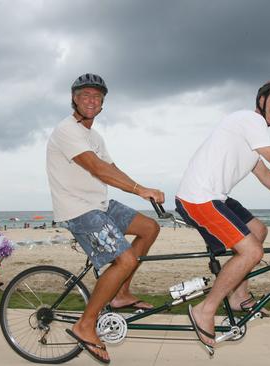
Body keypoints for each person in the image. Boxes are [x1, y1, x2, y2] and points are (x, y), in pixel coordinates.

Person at [175, 79, 270, 352]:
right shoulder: (250, 120)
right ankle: (205, 310)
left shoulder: (250, 135)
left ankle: (238, 296)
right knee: (251, 253)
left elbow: (265, 173)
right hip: (198, 197)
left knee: (258, 231)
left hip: (215, 196)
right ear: (261, 100)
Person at [46, 73, 165, 363]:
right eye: (85, 95)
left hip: (99, 203)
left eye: (96, 97)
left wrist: (141, 191)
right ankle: (86, 325)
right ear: (74, 98)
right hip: (78, 209)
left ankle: (121, 293)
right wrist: (140, 189)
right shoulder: (66, 130)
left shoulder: (94, 136)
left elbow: (112, 168)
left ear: (102, 104)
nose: (91, 100)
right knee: (124, 260)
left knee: (149, 228)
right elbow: (97, 168)